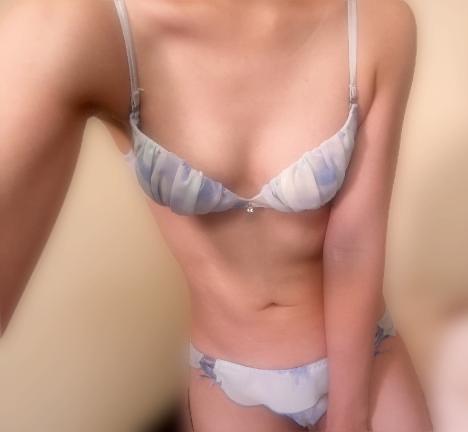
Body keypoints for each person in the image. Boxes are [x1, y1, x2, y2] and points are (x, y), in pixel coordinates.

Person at [0, 0, 430, 430]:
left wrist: (350, 416)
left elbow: (352, 244)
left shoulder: (376, 23)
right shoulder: (95, 29)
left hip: (363, 353)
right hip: (229, 379)